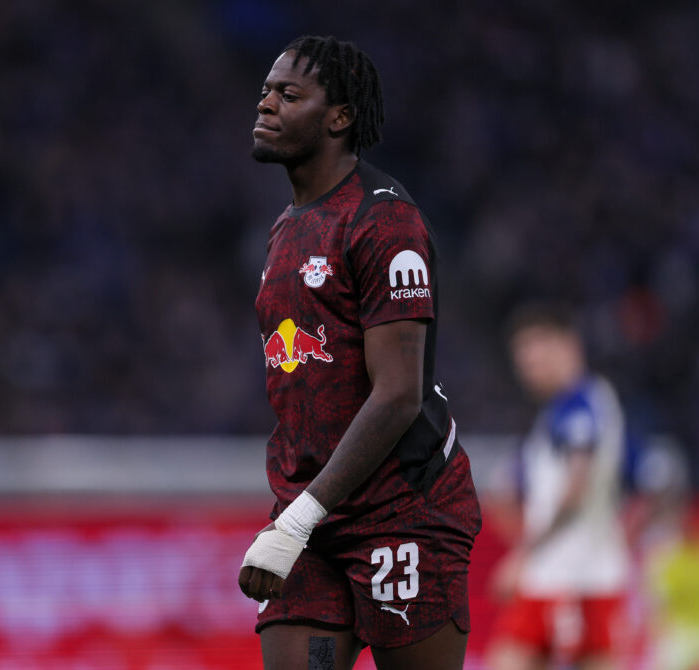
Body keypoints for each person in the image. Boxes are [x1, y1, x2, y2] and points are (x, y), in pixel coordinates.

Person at [236, 35, 482, 670]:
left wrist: (297, 519)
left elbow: (399, 393)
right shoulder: (285, 231)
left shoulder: (384, 222)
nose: (265, 104)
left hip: (403, 510)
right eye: (265, 91)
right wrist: (298, 517)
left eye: (289, 94)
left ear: (339, 117)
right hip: (311, 519)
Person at [486, 304, 630, 670]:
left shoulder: (579, 405)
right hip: (585, 574)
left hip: (568, 577)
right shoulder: (578, 405)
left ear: (568, 345)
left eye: (537, 352)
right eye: (523, 359)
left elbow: (575, 489)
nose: (529, 367)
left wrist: (522, 554)